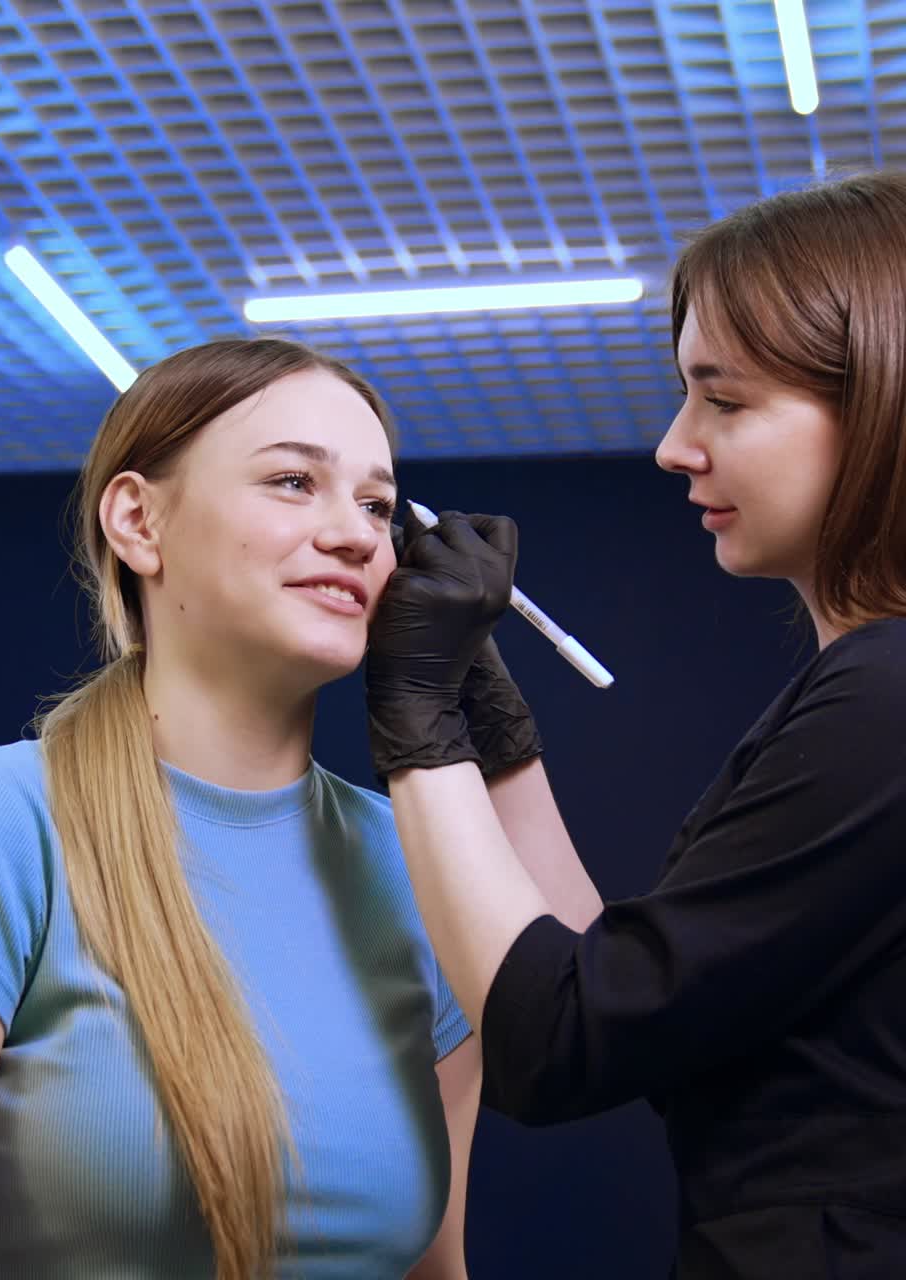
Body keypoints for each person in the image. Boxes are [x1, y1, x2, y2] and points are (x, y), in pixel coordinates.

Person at [0, 338, 541, 1280]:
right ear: (139, 522)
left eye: (375, 504)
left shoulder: (413, 862)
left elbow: (437, 1268)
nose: (358, 535)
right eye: (291, 482)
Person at [364, 169, 906, 1277]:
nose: (671, 444)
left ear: (880, 403)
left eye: (725, 398)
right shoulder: (858, 690)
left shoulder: (884, 700)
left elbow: (556, 1044)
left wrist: (415, 721)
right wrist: (496, 744)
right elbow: (634, 1011)